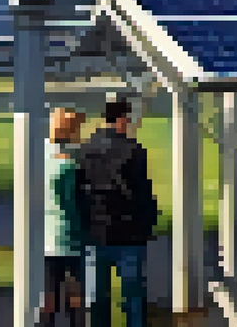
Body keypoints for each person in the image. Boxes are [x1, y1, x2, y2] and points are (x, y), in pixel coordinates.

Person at [77, 97, 159, 327]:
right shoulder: (134, 150)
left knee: (97, 300)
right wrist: (148, 223)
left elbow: (79, 191)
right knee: (133, 297)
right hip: (128, 233)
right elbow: (143, 193)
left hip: (95, 231)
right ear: (123, 119)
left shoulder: (86, 150)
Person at [42, 107, 86, 327]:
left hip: (45, 237)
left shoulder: (39, 154)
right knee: (76, 296)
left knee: (48, 296)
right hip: (71, 236)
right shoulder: (72, 163)